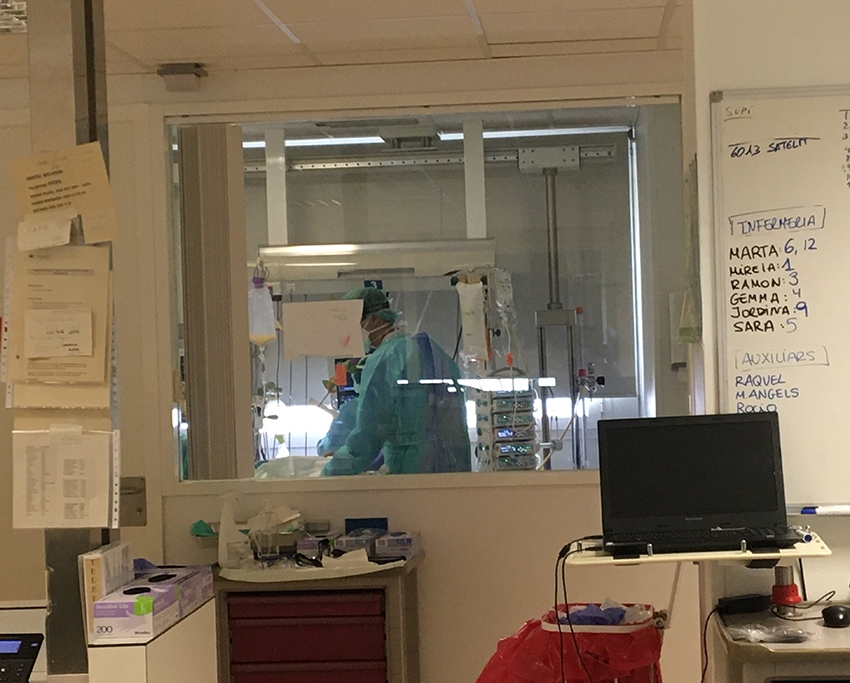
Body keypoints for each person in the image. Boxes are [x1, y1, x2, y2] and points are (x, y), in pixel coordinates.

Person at [322, 287, 471, 476]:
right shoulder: (431, 350)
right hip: (455, 472)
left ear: (375, 319)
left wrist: (328, 474)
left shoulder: (384, 359)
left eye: (354, 324)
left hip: (412, 473)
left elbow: (367, 437)